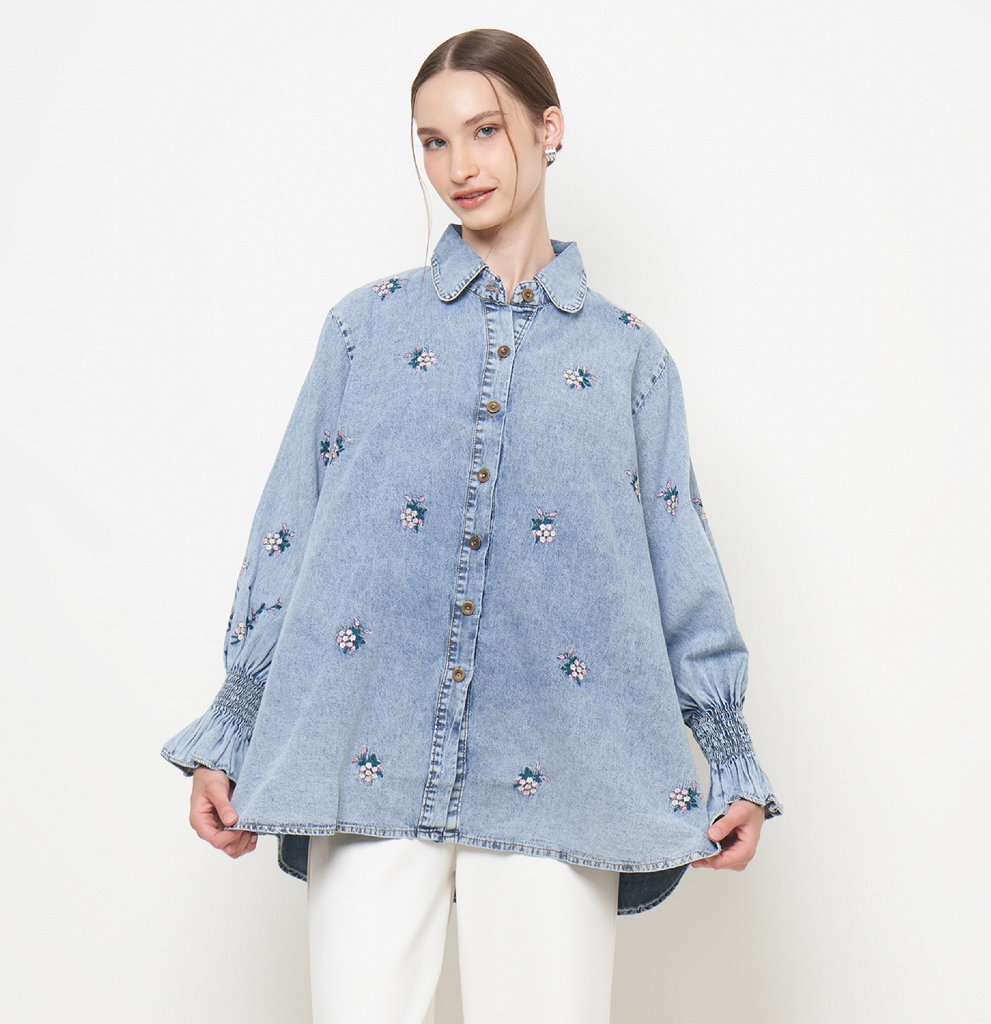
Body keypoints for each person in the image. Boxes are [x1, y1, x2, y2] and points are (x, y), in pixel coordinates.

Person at [162, 27, 781, 1024]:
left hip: (563, 762)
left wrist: (728, 749)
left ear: (548, 129)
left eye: (485, 131)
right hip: (364, 749)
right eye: (433, 141)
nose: (459, 167)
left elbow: (679, 558)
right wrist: (232, 724)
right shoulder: (364, 330)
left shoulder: (629, 360)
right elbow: (290, 527)